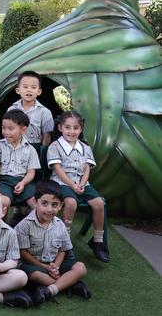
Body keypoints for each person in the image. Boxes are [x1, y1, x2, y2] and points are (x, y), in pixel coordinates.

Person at [15, 180, 91, 306]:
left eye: (54, 205)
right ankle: (68, 284)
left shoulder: (60, 224)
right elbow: (22, 252)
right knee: (35, 275)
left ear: (61, 205)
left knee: (81, 268)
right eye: (44, 203)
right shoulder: (24, 225)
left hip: (55, 263)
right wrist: (44, 267)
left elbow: (63, 249)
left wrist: (55, 266)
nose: (49, 209)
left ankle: (51, 290)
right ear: (35, 201)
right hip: (34, 264)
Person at [47, 110, 109, 262]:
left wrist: (81, 184)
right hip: (62, 182)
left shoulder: (85, 147)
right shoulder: (55, 146)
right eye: (67, 127)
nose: (71, 131)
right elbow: (58, 169)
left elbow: (87, 167)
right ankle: (65, 241)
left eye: (76, 128)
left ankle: (97, 241)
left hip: (82, 183)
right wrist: (72, 185)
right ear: (60, 127)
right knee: (71, 203)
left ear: (81, 129)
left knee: (99, 203)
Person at [0, 109, 40, 213]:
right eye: (4, 128)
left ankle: (31, 226)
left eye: (10, 129)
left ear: (23, 130)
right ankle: (1, 227)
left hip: (23, 181)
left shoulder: (30, 149)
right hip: (4, 181)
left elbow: (31, 172)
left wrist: (23, 183)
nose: (6, 132)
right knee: (3, 202)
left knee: (35, 204)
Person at [7, 71, 54, 148]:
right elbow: (8, 132)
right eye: (25, 87)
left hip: (35, 148)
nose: (29, 90)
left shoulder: (45, 112)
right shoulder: (11, 110)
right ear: (18, 90)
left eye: (33, 87)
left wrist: (41, 154)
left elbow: (47, 136)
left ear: (39, 92)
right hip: (15, 148)